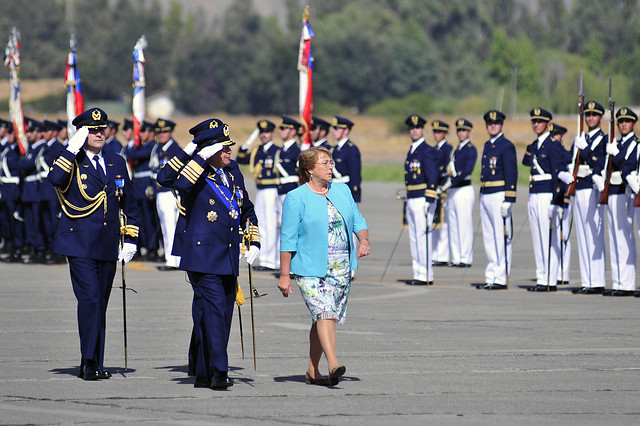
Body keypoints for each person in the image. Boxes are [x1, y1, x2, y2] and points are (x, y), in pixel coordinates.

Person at [48, 108, 139, 380]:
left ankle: (94, 360)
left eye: (102, 129)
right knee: (89, 300)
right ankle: (89, 362)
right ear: (82, 133)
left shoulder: (116, 161)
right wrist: (70, 149)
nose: (99, 134)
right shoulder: (69, 160)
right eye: (92, 130)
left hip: (108, 244)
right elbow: (55, 180)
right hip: (79, 243)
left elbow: (129, 202)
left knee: (100, 303)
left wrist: (131, 238)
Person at [172, 123, 260, 389]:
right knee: (214, 310)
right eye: (223, 147)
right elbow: (169, 180)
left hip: (228, 254)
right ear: (209, 150)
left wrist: (254, 240)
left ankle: (202, 371)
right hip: (203, 255)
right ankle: (219, 370)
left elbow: (246, 208)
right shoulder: (196, 173)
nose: (229, 151)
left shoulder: (232, 173)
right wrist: (196, 155)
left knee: (221, 314)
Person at [278, 146, 369, 386]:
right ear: (310, 170)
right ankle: (333, 364)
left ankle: (312, 370)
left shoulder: (342, 190)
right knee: (325, 312)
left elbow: (358, 219)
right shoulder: (296, 197)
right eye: (325, 163)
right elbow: (288, 239)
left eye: (331, 162)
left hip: (340, 267)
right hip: (309, 268)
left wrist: (364, 240)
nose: (331, 167)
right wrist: (284, 275)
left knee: (322, 317)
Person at [522, 108, 570, 292]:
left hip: (546, 195)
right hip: (534, 193)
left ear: (548, 124)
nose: (536, 124)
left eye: (540, 121)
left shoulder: (553, 145)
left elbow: (558, 173)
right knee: (537, 237)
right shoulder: (535, 145)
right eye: (534, 121)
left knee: (548, 238)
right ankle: (542, 277)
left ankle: (550, 279)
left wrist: (556, 201)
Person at [477, 110, 517, 290]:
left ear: (502, 125)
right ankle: (491, 275)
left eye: (496, 123)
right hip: (486, 193)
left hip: (499, 194)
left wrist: (509, 198)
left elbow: (511, 172)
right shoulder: (488, 145)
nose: (492, 126)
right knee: (488, 236)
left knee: (501, 236)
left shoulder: (506, 145)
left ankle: (501, 276)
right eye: (490, 123)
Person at [570, 101, 607, 294]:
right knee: (582, 234)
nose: (590, 118)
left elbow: (599, 162)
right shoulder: (580, 137)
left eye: (594, 115)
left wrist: (584, 150)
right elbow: (572, 162)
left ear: (600, 118)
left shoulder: (603, 139)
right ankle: (587, 280)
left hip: (593, 188)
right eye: (587, 115)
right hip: (579, 187)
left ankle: (597, 280)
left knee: (594, 234)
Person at [601, 107, 637, 296]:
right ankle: (617, 281)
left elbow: (629, 165)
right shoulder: (618, 143)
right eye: (620, 121)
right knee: (614, 237)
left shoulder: (634, 144)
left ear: (633, 123)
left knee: (624, 237)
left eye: (626, 121)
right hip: (613, 191)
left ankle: (627, 283)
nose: (623, 124)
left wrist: (617, 154)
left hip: (625, 192)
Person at [237, 119, 280, 271]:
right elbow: (241, 158)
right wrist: (249, 140)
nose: (264, 135)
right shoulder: (257, 150)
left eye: (267, 132)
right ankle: (265, 259)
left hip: (272, 190)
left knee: (270, 225)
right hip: (261, 190)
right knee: (261, 225)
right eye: (261, 132)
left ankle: (271, 261)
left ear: (272, 133)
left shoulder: (277, 150)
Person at [403, 114, 438, 285]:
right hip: (411, 197)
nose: (414, 130)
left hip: (422, 198)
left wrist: (429, 198)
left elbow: (433, 176)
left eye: (417, 127)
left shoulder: (427, 150)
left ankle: (425, 274)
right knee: (414, 237)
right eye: (412, 128)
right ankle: (418, 272)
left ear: (423, 130)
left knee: (422, 237)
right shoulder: (412, 150)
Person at [151, 118, 183, 271]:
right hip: (160, 192)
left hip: (171, 192)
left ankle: (174, 260)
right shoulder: (158, 148)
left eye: (165, 132)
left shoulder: (175, 150)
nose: (162, 135)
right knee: (165, 226)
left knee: (171, 226)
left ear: (170, 132)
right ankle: (170, 258)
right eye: (159, 132)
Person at [126, 120, 160, 261]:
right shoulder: (140, 146)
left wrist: (133, 143)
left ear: (151, 133)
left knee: (149, 219)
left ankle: (152, 248)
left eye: (143, 132)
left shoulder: (152, 146)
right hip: (137, 186)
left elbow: (135, 155)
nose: (140, 135)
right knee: (138, 220)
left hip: (146, 185)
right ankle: (139, 247)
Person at [445, 118, 477, 267]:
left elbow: (467, 170)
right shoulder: (457, 149)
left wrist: (453, 180)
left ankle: (466, 257)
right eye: (459, 130)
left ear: (469, 132)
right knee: (453, 224)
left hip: (463, 189)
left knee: (464, 224)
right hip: (453, 190)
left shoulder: (471, 149)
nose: (461, 133)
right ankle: (456, 257)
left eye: (464, 130)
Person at [18, 118, 47, 264]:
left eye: (31, 132)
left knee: (37, 222)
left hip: (36, 189)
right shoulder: (31, 148)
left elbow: (29, 164)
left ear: (39, 133)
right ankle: (32, 247)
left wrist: (22, 162)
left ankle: (39, 248)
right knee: (29, 222)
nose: (29, 135)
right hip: (28, 191)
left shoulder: (41, 148)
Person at [549, 122, 572, 285]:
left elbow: (567, 180)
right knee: (554, 236)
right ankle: (555, 270)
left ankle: (564, 271)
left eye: (556, 135)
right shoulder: (552, 154)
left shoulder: (565, 154)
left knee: (563, 236)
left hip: (562, 200)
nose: (554, 139)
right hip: (552, 200)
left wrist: (565, 201)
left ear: (562, 137)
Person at [430, 120, 453, 266]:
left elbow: (445, 169)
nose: (436, 135)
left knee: (443, 223)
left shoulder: (447, 148)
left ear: (445, 134)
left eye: (439, 132)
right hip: (435, 187)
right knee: (435, 222)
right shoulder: (434, 149)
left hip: (443, 187)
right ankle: (436, 253)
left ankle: (443, 255)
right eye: (435, 132)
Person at [0, 124, 23, 262]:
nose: (8, 136)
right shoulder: (7, 150)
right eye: (8, 133)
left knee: (15, 221)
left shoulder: (17, 151)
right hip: (5, 189)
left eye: (11, 133)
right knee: (7, 220)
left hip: (13, 188)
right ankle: (11, 247)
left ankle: (18, 249)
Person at [276, 115, 302, 220]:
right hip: (280, 190)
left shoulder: (297, 150)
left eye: (283, 128)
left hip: (292, 191)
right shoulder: (281, 150)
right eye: (280, 128)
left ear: (293, 131)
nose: (280, 131)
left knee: (292, 222)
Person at [331, 116, 362, 203]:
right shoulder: (334, 149)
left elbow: (354, 173)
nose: (334, 131)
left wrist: (354, 193)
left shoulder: (351, 149)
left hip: (345, 189)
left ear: (346, 130)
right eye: (333, 128)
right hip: (333, 190)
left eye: (337, 128)